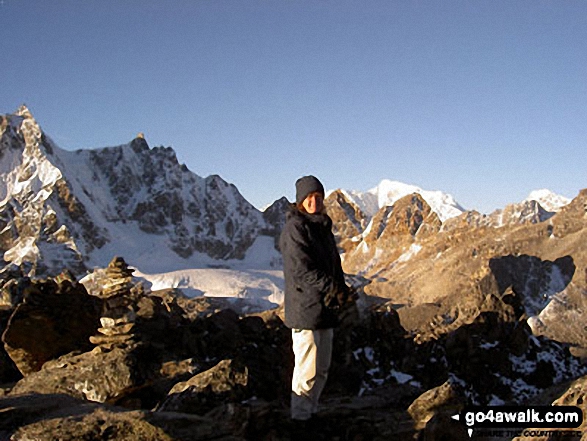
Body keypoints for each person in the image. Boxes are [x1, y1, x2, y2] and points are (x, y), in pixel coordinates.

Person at [279, 175, 350, 424]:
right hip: (305, 308)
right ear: (300, 201)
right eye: (309, 197)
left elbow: (333, 263)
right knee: (307, 369)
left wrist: (341, 287)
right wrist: (332, 288)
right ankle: (300, 418)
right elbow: (302, 269)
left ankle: (312, 411)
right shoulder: (295, 228)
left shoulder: (322, 227)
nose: (314, 201)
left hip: (324, 308)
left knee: (322, 367)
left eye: (318, 196)